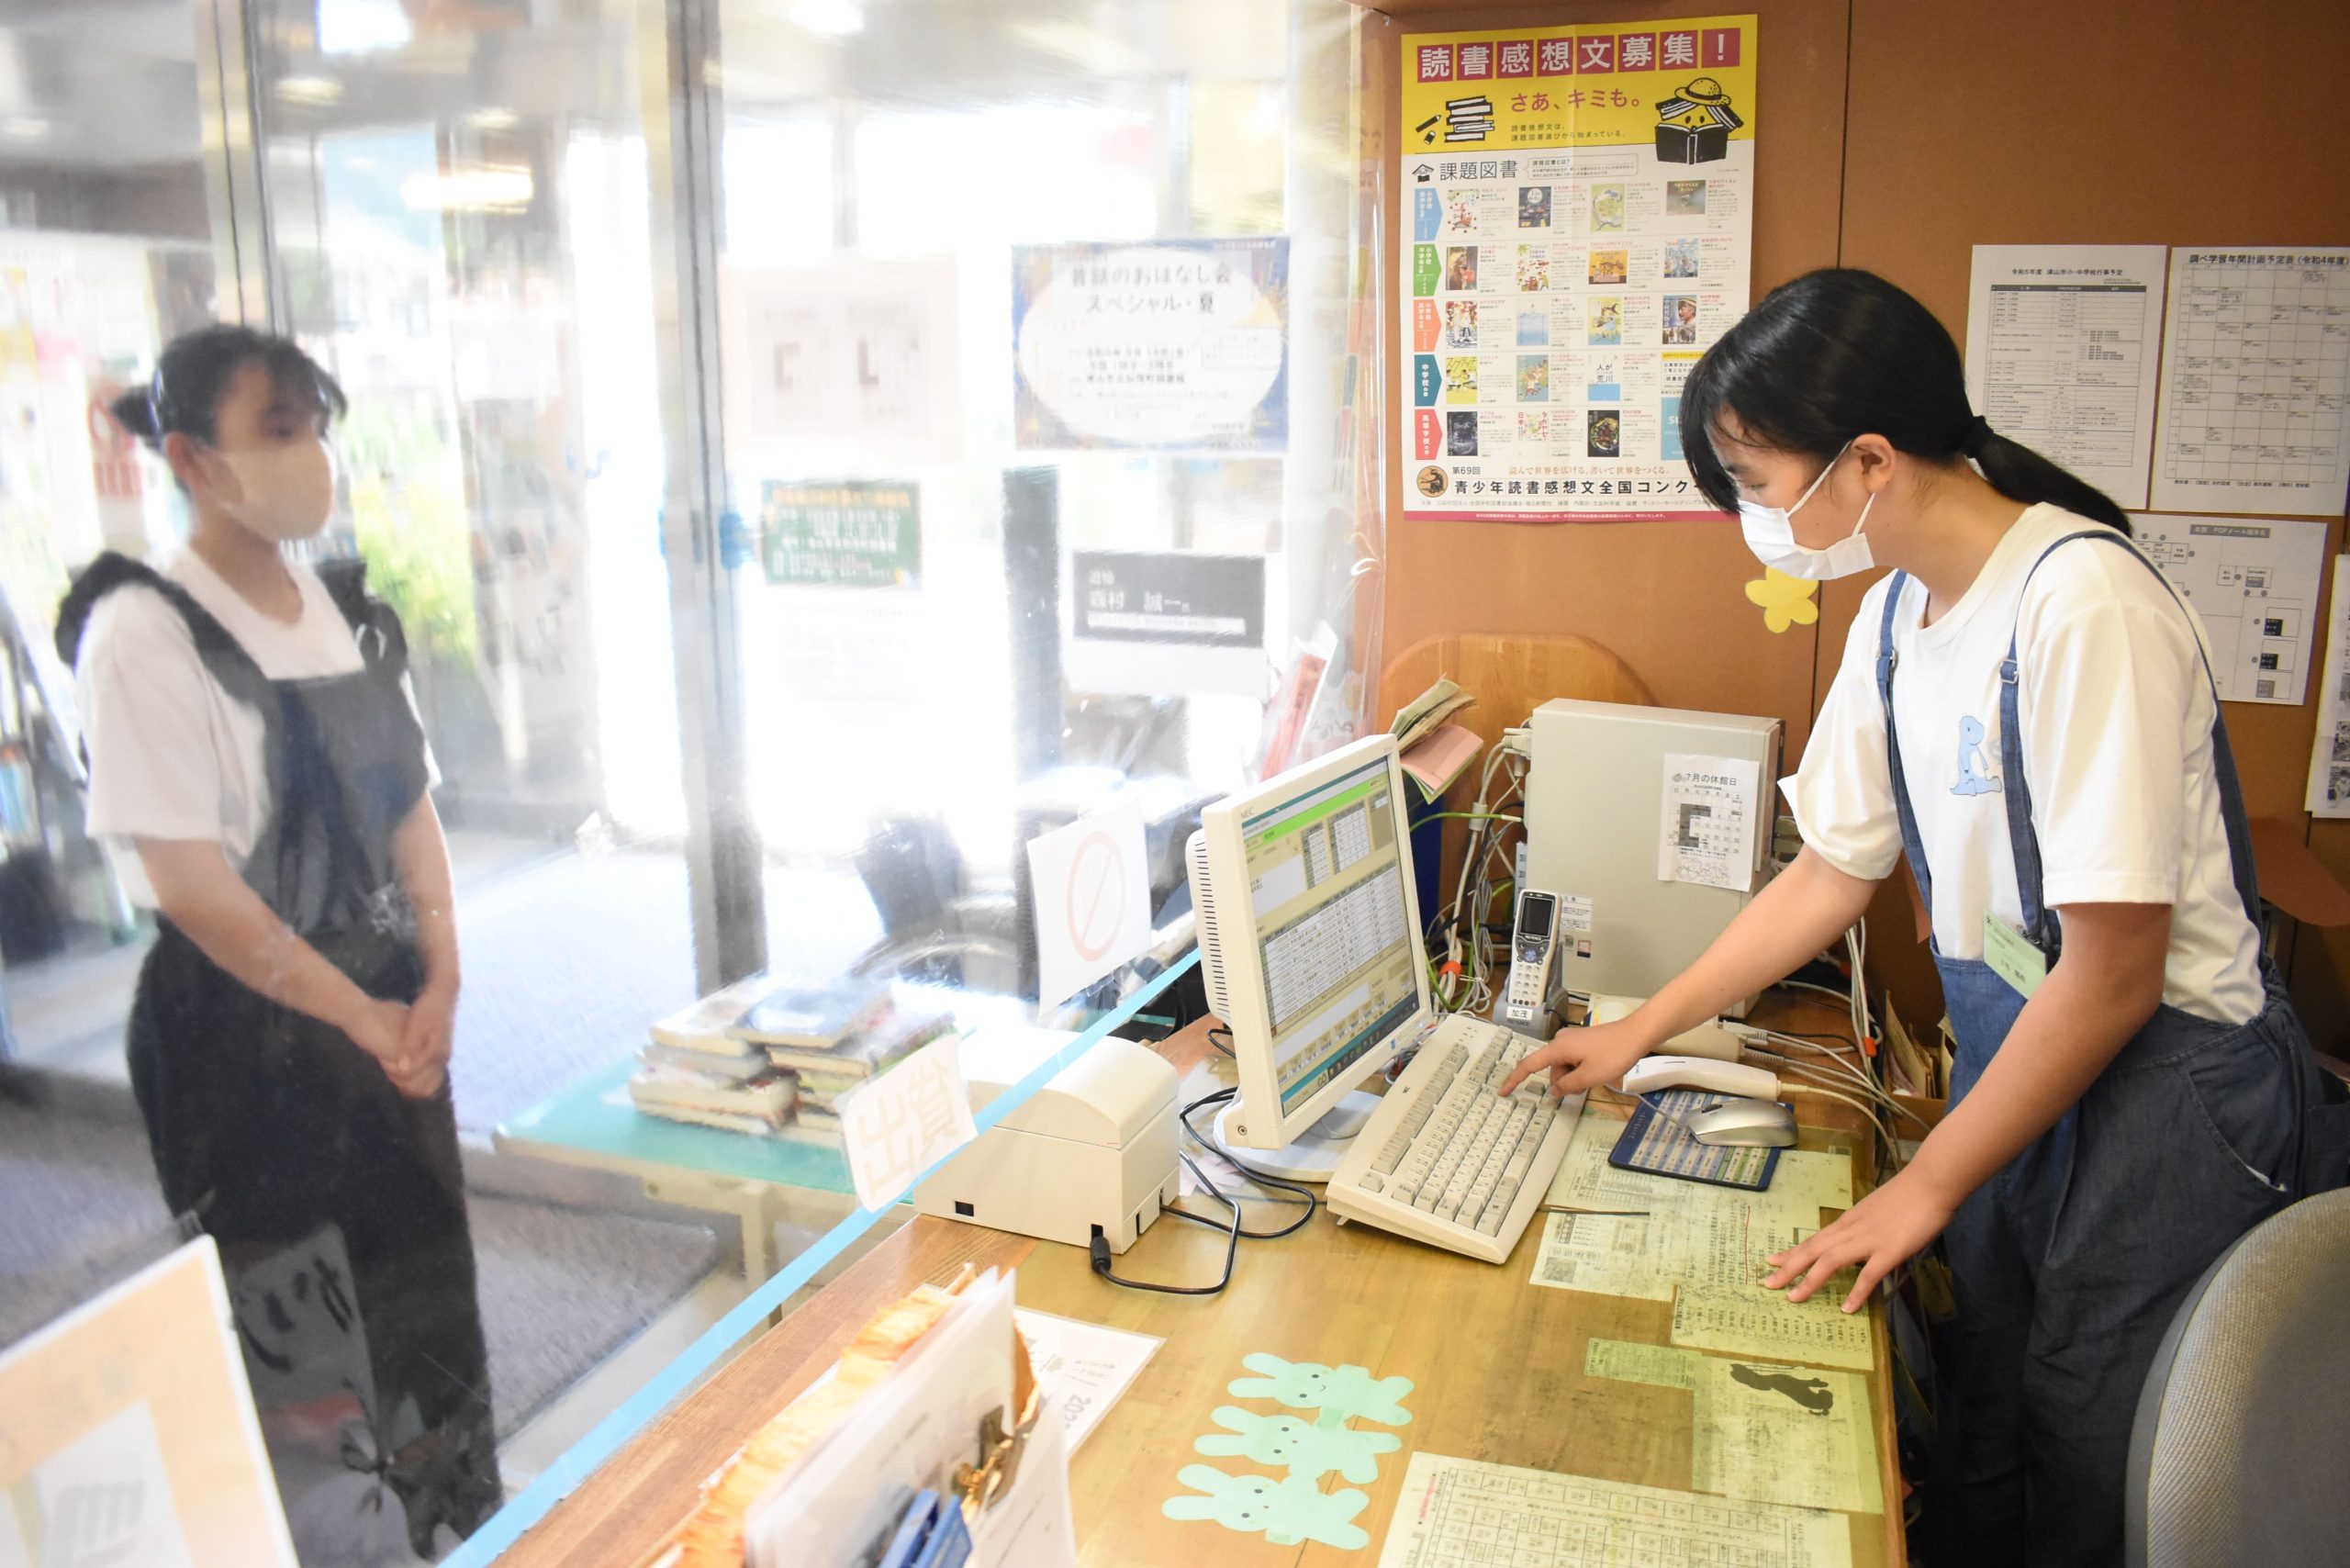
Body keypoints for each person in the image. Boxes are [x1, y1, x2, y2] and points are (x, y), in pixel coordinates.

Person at [1500, 268, 2348, 1566]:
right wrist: (1641, 1028)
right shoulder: (1899, 614)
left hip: (2168, 1098)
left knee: (2092, 1449)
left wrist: (1931, 1182)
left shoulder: (2083, 606)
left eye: (1758, 481)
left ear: (1871, 461)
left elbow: (2115, 975)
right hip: (2029, 1059)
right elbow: (1829, 873)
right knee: (1990, 1402)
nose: (1755, 519)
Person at [56, 324, 500, 1554]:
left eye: (318, 426)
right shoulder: (143, 632)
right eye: (280, 431)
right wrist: (360, 1014)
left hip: (393, 1012)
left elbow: (411, 806)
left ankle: (452, 1528)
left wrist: (444, 973)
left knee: (425, 1316)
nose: (313, 457)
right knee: (301, 1347)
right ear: (194, 458)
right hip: (242, 1046)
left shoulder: (348, 607)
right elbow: (192, 888)